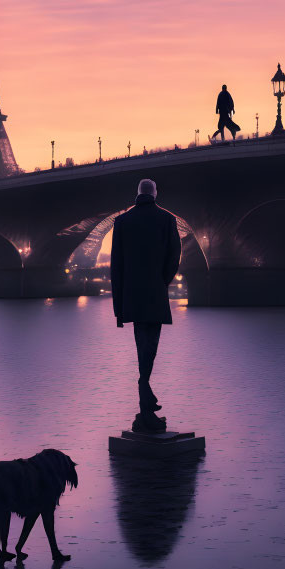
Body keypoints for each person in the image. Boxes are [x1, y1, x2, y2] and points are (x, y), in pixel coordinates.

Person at [109, 178, 181, 433]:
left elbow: (116, 267)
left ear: (137, 193)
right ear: (155, 193)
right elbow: (175, 255)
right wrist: (162, 282)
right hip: (155, 293)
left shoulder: (122, 221)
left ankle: (145, 401)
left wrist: (118, 308)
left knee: (142, 346)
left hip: (132, 297)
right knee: (151, 347)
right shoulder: (167, 219)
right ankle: (146, 397)